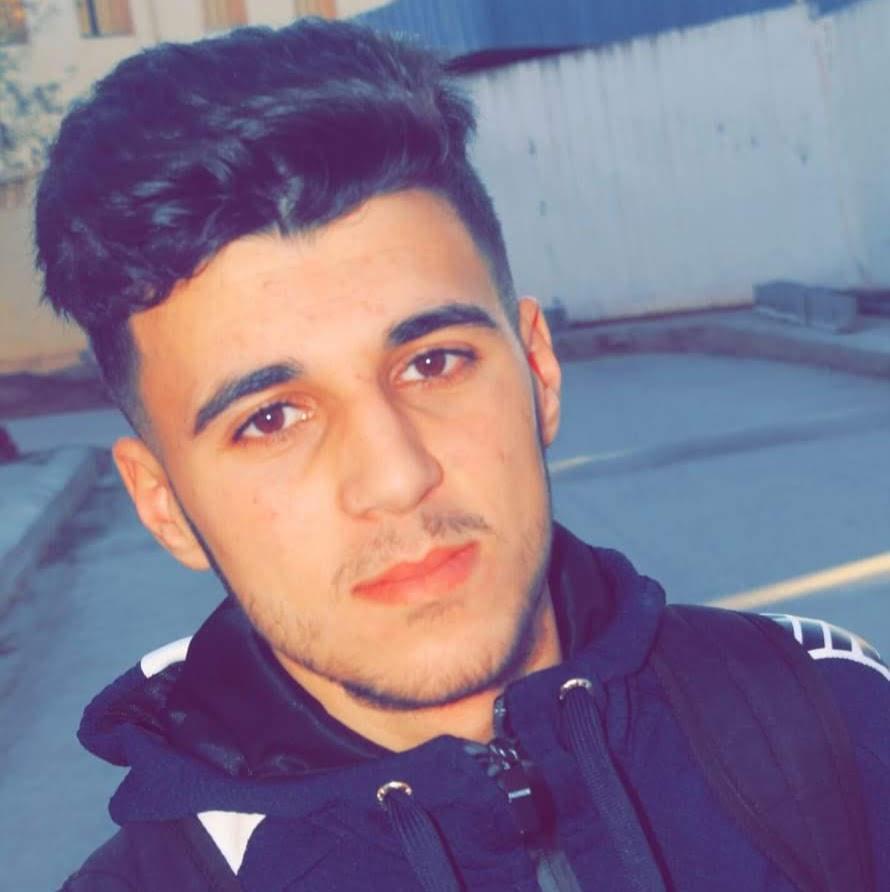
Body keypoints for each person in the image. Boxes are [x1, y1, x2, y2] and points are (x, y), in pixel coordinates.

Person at [36, 18, 888, 892]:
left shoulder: (833, 720)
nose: (397, 477)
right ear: (164, 505)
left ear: (538, 370)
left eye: (432, 363)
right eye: (271, 418)